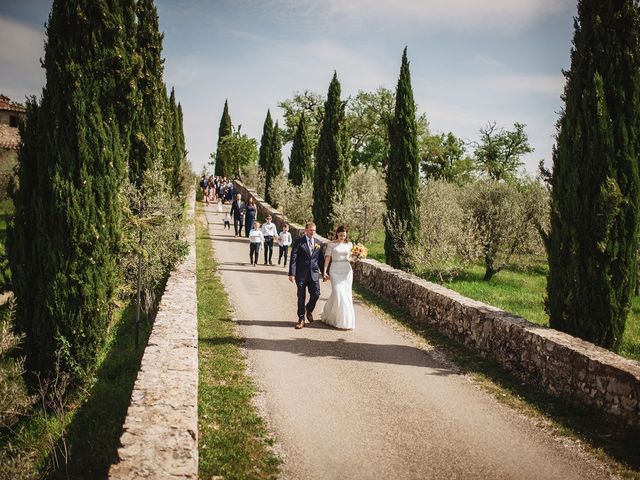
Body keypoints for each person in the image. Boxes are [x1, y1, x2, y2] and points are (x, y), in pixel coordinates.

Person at [289, 222, 325, 329]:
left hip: (313, 274)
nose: (312, 232)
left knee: (316, 294)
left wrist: (324, 273)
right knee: (301, 296)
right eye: (310, 230)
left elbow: (320, 260)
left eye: (314, 230)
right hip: (301, 274)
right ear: (306, 230)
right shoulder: (299, 242)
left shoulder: (318, 243)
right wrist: (292, 273)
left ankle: (309, 309)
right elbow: (293, 258)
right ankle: (301, 319)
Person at [321, 225, 355, 330]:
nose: (342, 237)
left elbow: (349, 258)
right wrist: (325, 271)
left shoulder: (349, 244)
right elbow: (327, 259)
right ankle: (333, 317)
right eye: (340, 235)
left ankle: (344, 320)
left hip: (346, 270)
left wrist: (355, 258)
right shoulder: (331, 245)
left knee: (346, 294)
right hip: (335, 269)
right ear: (337, 234)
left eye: (344, 235)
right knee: (337, 292)